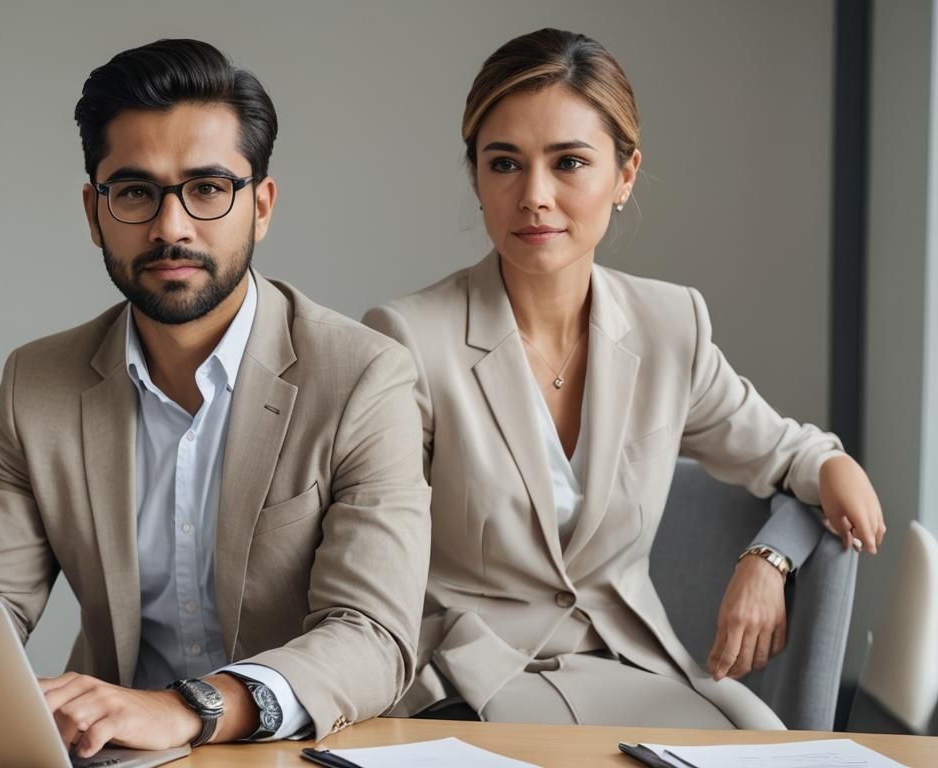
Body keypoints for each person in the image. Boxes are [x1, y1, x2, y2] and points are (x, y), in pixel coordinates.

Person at [362, 27, 884, 729]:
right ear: (477, 178)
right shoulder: (407, 339)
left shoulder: (672, 324)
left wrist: (772, 553)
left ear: (625, 174)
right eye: (505, 163)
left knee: (766, 741)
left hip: (634, 664)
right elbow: (365, 549)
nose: (535, 195)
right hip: (470, 682)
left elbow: (789, 454)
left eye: (569, 162)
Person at [0, 39, 430, 757]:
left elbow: (372, 637)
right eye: (135, 191)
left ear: (261, 205)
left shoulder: (363, 377)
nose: (171, 227)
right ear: (93, 211)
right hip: (113, 754)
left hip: (294, 749)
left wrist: (186, 709)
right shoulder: (36, 384)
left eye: (206, 188)